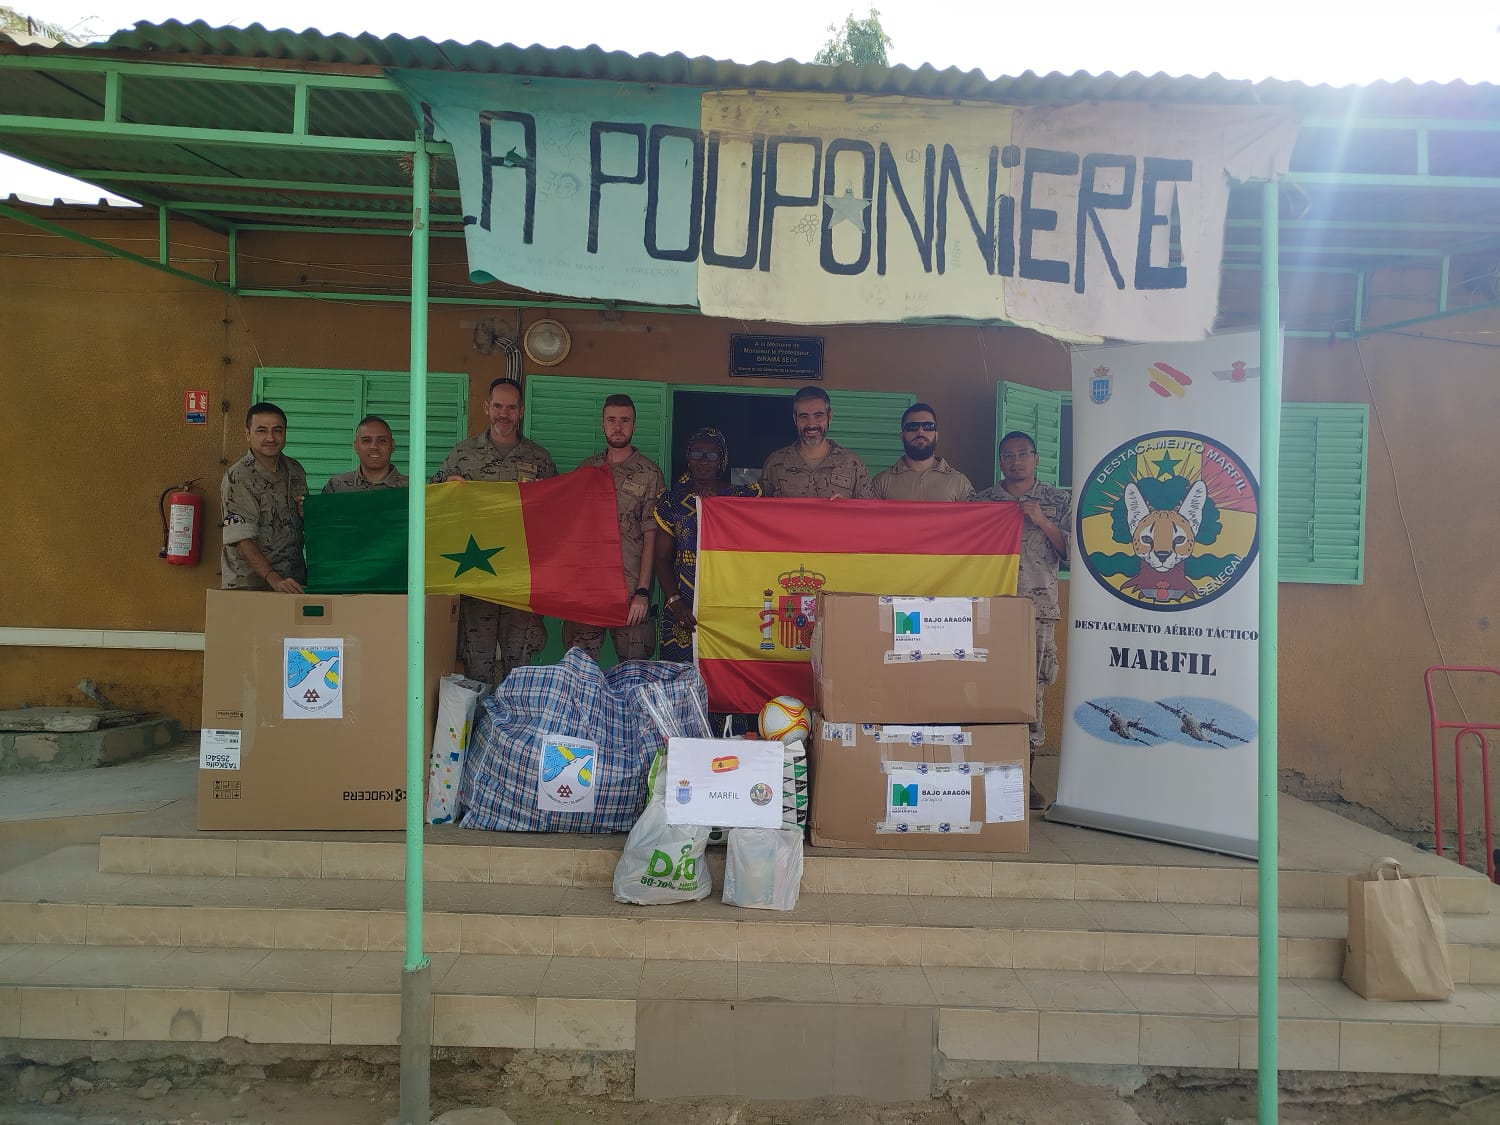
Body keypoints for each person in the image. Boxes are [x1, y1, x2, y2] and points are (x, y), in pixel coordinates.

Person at [433, 377, 558, 686]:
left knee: (520, 665)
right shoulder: (462, 454)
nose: (505, 414)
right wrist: (446, 489)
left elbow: (558, 513)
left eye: (511, 407)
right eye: (498, 406)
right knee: (478, 663)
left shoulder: (539, 459)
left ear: (522, 411)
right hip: (477, 577)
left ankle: (512, 729)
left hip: (520, 578)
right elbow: (432, 503)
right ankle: (479, 730)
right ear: (486, 407)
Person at [975, 431, 1072, 809]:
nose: (1015, 461)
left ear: (1035, 458)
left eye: (1022, 454)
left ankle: (1023, 777)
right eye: (1008, 455)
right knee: (985, 687)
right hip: (988, 609)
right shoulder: (981, 501)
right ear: (1000, 461)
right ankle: (986, 767)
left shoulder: (1057, 500)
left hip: (1036, 609)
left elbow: (1072, 555)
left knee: (1030, 692)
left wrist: (1042, 520)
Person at [563, 394, 665, 662]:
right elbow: (570, 527)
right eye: (611, 420)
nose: (618, 427)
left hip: (629, 592)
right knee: (580, 673)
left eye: (624, 420)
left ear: (634, 425)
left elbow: (651, 537)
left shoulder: (649, 473)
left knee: (633, 674)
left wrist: (643, 592)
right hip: (589, 591)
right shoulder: (587, 469)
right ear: (603, 424)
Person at [654, 428, 762, 663]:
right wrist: (675, 602)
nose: (704, 461)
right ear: (688, 457)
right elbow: (661, 558)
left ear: (722, 461)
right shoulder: (672, 501)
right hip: (683, 607)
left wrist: (719, 504)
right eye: (697, 454)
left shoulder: (740, 497)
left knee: (726, 679)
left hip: (728, 606)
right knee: (679, 681)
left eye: (712, 456)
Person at [220, 402, 307, 593]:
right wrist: (273, 578)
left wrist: (306, 513)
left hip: (292, 580)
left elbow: (302, 519)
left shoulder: (295, 470)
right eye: (261, 430)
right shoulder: (238, 477)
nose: (271, 437)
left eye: (277, 430)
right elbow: (242, 539)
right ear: (248, 434)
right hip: (251, 585)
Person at [758, 385, 872, 498]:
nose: (811, 424)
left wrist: (847, 508)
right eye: (804, 416)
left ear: (830, 417)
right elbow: (758, 510)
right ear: (795, 419)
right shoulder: (775, 464)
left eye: (818, 416)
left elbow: (868, 512)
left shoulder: (853, 464)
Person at [870, 402, 975, 501]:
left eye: (928, 426)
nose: (920, 431)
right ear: (902, 436)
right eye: (913, 427)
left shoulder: (959, 483)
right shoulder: (881, 483)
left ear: (936, 435)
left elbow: (975, 518)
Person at [321, 416, 409, 493]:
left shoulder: (412, 488)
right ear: (356, 447)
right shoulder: (336, 487)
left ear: (392, 446)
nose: (374, 446)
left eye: (382, 440)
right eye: (366, 440)